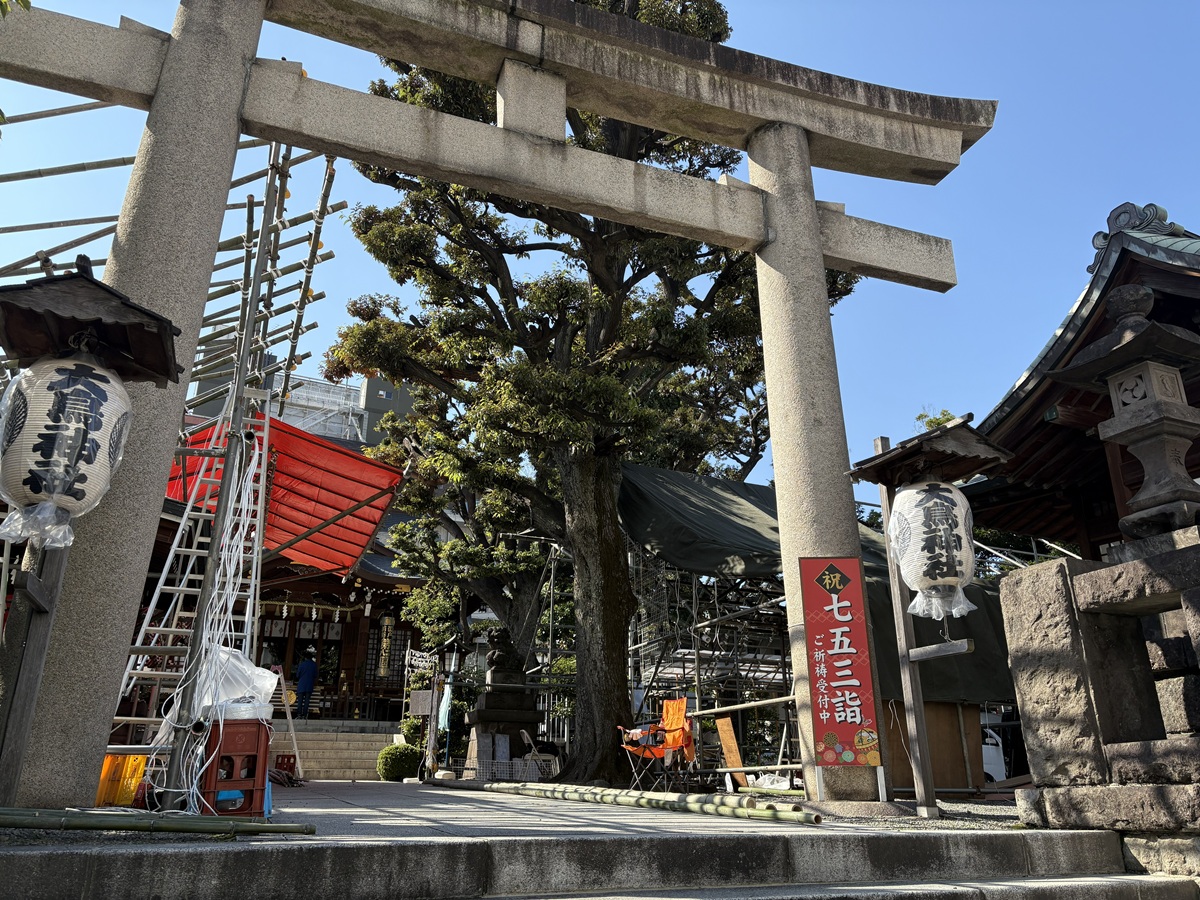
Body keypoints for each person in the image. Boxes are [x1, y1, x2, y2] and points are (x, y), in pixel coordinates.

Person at [295, 648, 318, 719]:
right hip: (309, 685)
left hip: (301, 684)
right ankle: (305, 715)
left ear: (305, 658)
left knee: (300, 701)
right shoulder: (314, 665)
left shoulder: (302, 664)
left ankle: (299, 714)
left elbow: (297, 675)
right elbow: (315, 675)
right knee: (307, 701)